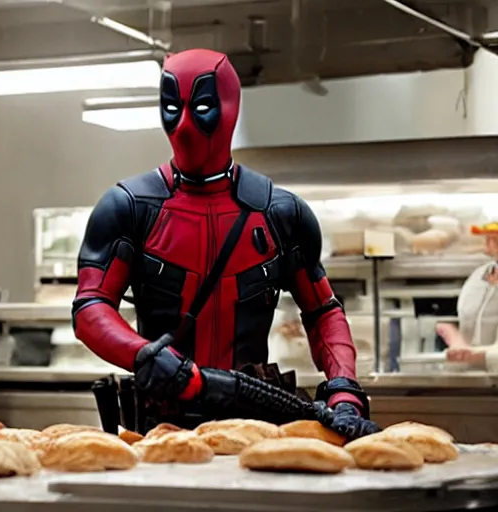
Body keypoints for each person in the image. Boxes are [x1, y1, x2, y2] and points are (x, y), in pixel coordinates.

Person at [72, 48, 378, 440]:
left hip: (256, 421)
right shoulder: (129, 208)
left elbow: (322, 312)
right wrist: (144, 355)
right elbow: (90, 307)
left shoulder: (279, 214)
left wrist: (344, 389)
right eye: (171, 107)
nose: (182, 125)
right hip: (161, 426)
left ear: (229, 108)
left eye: (201, 107)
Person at [436, 222, 498, 372]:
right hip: (468, 379)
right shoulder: (479, 275)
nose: (492, 242)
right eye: (489, 238)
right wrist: (453, 337)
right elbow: (450, 317)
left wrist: (473, 355)